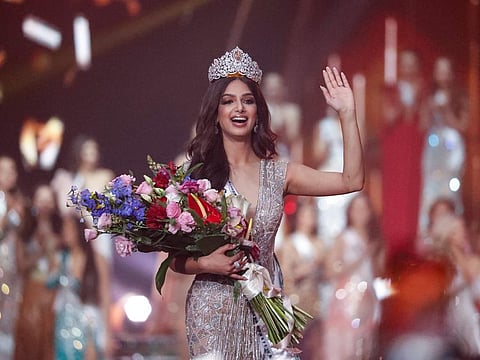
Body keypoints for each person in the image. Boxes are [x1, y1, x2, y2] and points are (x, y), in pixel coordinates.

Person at [168, 46, 364, 359]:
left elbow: (351, 180)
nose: (239, 108)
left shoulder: (279, 172)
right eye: (228, 101)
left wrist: (348, 114)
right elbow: (175, 258)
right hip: (212, 310)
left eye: (247, 101)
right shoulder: (197, 176)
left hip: (265, 308)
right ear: (215, 113)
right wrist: (206, 263)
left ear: (258, 110)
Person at [51, 135, 114, 358]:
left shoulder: (104, 176)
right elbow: (63, 209)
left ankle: (104, 333)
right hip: (78, 238)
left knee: (100, 283)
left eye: (94, 149)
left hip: (98, 236)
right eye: (86, 149)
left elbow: (109, 209)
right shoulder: (68, 178)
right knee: (74, 283)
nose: (91, 153)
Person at [321, 193, 384, 360]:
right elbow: (329, 271)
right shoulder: (344, 238)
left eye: (364, 208)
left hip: (369, 299)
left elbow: (380, 274)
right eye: (356, 208)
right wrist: (360, 258)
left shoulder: (376, 241)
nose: (360, 212)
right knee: (346, 347)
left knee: (365, 347)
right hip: (347, 299)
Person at [381, 49, 426, 260]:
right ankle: (394, 246)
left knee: (415, 193)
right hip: (397, 149)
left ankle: (415, 248)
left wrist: (418, 102)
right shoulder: (393, 91)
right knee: (396, 194)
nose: (407, 69)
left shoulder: (423, 90)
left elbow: (425, 123)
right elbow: (387, 118)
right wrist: (403, 103)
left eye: (412, 64)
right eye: (404, 64)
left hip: (416, 149)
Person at [418, 56, 469, 233]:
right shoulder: (429, 95)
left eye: (446, 70)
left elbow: (464, 125)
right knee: (430, 188)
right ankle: (429, 232)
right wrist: (429, 108)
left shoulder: (459, 95)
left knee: (451, 187)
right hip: (433, 145)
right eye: (439, 70)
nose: (442, 75)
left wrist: (446, 110)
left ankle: (453, 231)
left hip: (451, 145)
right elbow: (422, 125)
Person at [14, 184, 59, 360]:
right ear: (34, 202)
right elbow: (21, 266)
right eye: (41, 199)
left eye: (49, 200)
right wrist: (39, 250)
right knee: (30, 339)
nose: (45, 204)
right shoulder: (26, 231)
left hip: (54, 294)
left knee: (49, 342)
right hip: (32, 292)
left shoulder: (60, 231)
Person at [0, 155, 28, 360]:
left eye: (13, 170)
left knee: (11, 310)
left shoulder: (19, 198)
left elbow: (20, 235)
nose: (10, 174)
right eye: (5, 170)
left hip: (13, 263)